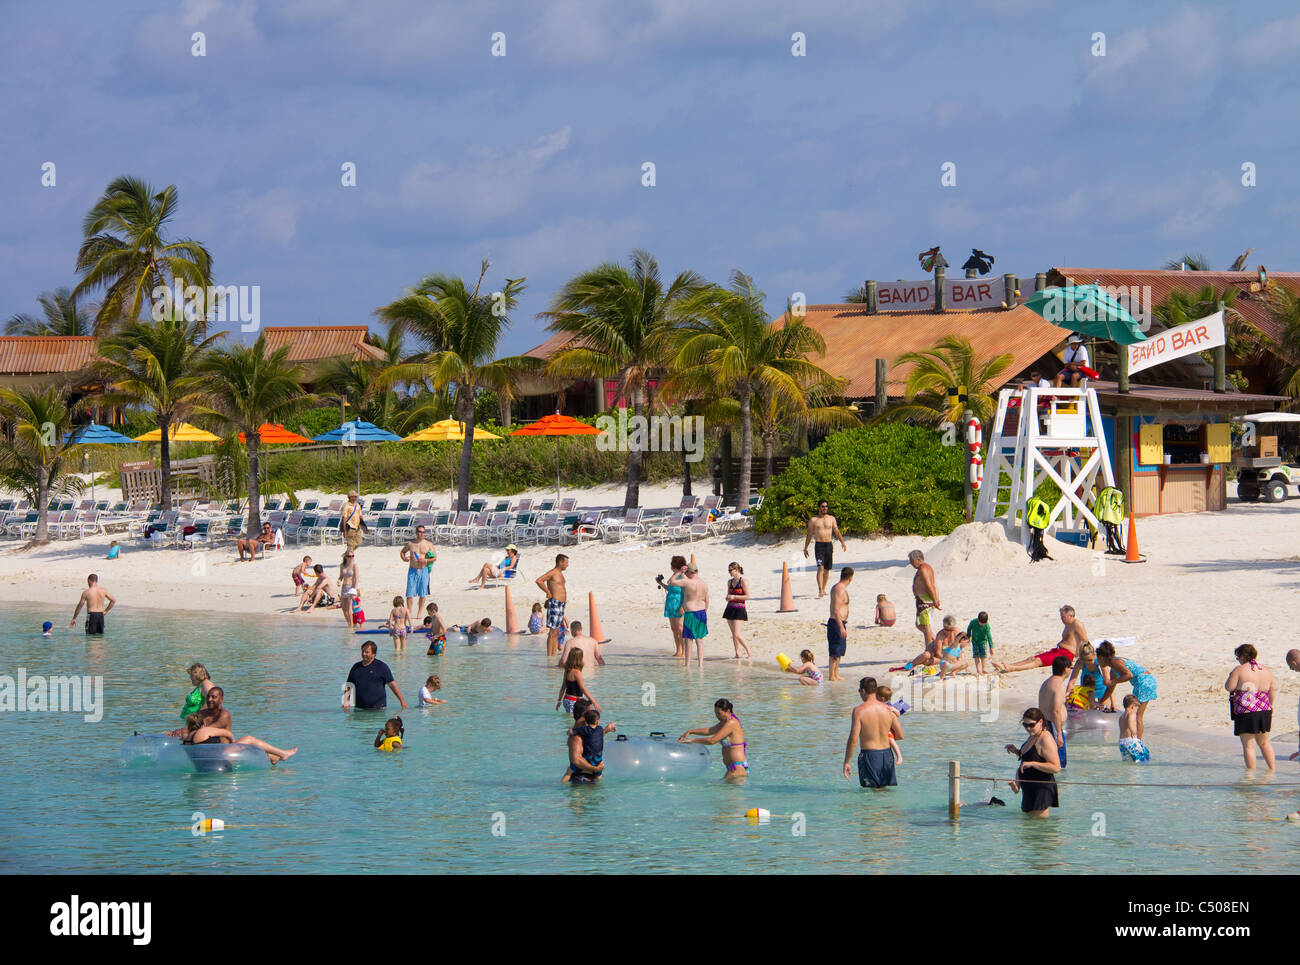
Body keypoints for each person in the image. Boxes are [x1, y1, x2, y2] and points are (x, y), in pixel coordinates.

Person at [993, 605, 1088, 673]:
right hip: (1058, 651)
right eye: (1061, 616)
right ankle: (1008, 665)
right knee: (1032, 658)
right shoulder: (1067, 625)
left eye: (1063, 617)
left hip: (1066, 655)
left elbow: (1086, 642)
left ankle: (1012, 668)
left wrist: (1084, 658)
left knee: (1037, 661)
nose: (1061, 619)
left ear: (1071, 616)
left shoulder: (1077, 624)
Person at [843, 677, 901, 790]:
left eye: (859, 690)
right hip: (887, 755)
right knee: (884, 791)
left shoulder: (859, 710)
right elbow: (900, 735)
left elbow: (853, 739)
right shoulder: (888, 709)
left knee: (872, 793)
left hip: (870, 756)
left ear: (863, 691)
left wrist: (846, 761)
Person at [1225, 644, 1275, 770]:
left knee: (1249, 745)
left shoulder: (1239, 670)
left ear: (1243, 656)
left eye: (1237, 657)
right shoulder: (1266, 670)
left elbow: (1229, 687)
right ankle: (1272, 770)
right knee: (1264, 743)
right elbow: (1272, 691)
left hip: (1246, 711)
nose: (1237, 660)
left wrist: (1231, 675)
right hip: (1265, 709)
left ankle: (1250, 778)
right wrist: (1269, 706)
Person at [1095, 640, 1156, 738]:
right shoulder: (1113, 667)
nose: (1098, 662)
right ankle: (1135, 740)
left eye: (1098, 659)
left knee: (1137, 716)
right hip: (1145, 682)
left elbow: (1128, 675)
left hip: (1144, 682)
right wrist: (1101, 702)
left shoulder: (1115, 662)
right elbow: (1111, 688)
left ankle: (1137, 743)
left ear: (1101, 657)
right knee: (1135, 715)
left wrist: (1112, 682)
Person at [1005, 707, 1060, 817]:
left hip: (1041, 791)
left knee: (1038, 830)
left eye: (1031, 725)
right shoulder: (1033, 736)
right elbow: (1031, 756)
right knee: (1028, 831)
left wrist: (1032, 764)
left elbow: (1056, 767)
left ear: (1040, 722)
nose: (1028, 728)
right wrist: (1016, 751)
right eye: (1025, 725)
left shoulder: (1045, 739)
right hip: (1029, 790)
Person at [183, 713, 298, 763]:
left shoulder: (186, 737)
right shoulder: (204, 731)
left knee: (244, 747)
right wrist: (233, 743)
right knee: (249, 739)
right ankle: (283, 754)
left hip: (202, 767)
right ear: (202, 724)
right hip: (220, 761)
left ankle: (272, 757)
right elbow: (227, 732)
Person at [679, 698, 747, 780]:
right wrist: (690, 731)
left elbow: (712, 740)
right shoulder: (725, 722)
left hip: (737, 769)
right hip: (733, 768)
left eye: (719, 713)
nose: (717, 716)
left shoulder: (732, 723)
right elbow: (710, 730)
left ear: (728, 711)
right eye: (715, 713)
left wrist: (692, 740)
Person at [344, 641, 407, 711]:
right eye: (362, 651)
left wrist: (402, 701)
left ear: (374, 654)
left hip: (378, 709)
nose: (364, 654)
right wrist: (346, 701)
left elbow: (392, 684)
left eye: (367, 652)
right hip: (359, 709)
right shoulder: (356, 667)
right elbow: (349, 685)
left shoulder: (382, 667)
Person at [803, 499, 847, 598]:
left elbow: (836, 531)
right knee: (820, 568)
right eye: (822, 506)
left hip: (828, 545)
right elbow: (809, 534)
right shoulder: (813, 520)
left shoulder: (831, 518)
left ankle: (824, 588)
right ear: (819, 508)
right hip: (819, 545)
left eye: (826, 506)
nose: (825, 508)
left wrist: (842, 542)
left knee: (827, 570)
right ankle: (820, 590)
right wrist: (805, 547)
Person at [671, 562, 710, 667]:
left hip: (691, 613)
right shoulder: (704, 583)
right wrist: (704, 611)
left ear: (689, 572)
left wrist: (679, 572)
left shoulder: (688, 582)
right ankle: (700, 665)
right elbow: (707, 601)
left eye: (686, 572)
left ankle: (687, 665)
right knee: (699, 640)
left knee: (689, 640)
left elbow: (671, 582)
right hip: (702, 613)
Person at [563, 707, 616, 784]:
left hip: (588, 757)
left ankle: (561, 783)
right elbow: (596, 738)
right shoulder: (600, 729)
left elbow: (572, 732)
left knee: (569, 770)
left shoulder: (584, 729)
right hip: (598, 758)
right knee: (599, 775)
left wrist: (568, 732)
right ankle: (599, 784)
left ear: (586, 722)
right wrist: (608, 729)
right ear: (597, 721)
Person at [535, 553, 570, 658]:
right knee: (553, 631)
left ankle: (553, 655)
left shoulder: (560, 573)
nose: (567, 565)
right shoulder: (553, 572)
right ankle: (549, 656)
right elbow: (539, 580)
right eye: (566, 563)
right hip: (554, 603)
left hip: (561, 604)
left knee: (557, 630)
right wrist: (548, 592)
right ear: (560, 562)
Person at [1039, 655, 1070, 768]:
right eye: (1070, 668)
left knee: (1048, 759)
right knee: (1059, 763)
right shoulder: (1058, 685)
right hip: (1053, 726)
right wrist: (1059, 734)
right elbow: (1055, 711)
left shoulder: (1047, 682)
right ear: (1065, 669)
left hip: (1045, 724)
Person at [908, 549, 940, 649]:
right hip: (922, 600)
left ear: (918, 559)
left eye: (911, 561)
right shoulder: (924, 568)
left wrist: (935, 600)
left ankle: (929, 650)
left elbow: (930, 585)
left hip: (925, 600)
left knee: (926, 627)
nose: (910, 563)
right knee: (919, 625)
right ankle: (937, 644)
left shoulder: (924, 569)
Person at [657, 555, 688, 658]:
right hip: (670, 604)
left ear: (674, 565)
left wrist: (682, 607)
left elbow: (685, 592)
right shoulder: (674, 575)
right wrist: (660, 583)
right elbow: (670, 588)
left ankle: (684, 651)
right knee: (674, 628)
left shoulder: (682, 576)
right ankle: (678, 650)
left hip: (679, 603)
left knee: (680, 628)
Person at [826, 566, 853, 682]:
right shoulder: (839, 589)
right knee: (835, 650)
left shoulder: (840, 588)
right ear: (851, 578)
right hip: (836, 623)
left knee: (840, 651)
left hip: (840, 622)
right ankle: (832, 675)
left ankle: (836, 674)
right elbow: (836, 610)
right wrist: (841, 627)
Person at [1066, 642, 1111, 710]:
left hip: (1100, 686)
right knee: (1090, 711)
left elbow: (1109, 682)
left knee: (1104, 709)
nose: (1088, 662)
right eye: (1085, 660)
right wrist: (1068, 695)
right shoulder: (1080, 662)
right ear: (1081, 658)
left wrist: (1113, 703)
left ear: (1094, 655)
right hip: (1086, 688)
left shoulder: (1099, 661)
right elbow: (1072, 681)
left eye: (1090, 660)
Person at [721, 562, 751, 659]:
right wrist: (728, 597)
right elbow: (728, 594)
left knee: (737, 633)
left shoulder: (743, 581)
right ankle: (737, 653)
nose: (729, 572)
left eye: (730, 570)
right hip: (730, 608)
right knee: (733, 633)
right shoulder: (729, 582)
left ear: (736, 570)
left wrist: (734, 596)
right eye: (728, 570)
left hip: (739, 608)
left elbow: (747, 596)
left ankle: (749, 651)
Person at [556, 649, 599, 714]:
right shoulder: (577, 672)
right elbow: (583, 688)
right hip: (573, 701)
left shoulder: (567, 670)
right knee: (575, 721)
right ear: (579, 659)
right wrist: (593, 701)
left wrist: (559, 701)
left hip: (567, 700)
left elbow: (563, 687)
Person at [1117, 695, 1150, 763]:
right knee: (1144, 756)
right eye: (1136, 708)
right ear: (1133, 706)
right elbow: (1130, 722)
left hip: (1122, 742)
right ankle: (1139, 772)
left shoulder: (1121, 716)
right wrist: (1133, 731)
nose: (1136, 710)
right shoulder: (1131, 713)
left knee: (1128, 761)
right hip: (1130, 741)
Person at [875, 685, 903, 765]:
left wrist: (894, 709)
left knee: (891, 740)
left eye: (875, 696)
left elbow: (898, 714)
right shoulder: (877, 706)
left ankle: (899, 756)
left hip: (889, 729)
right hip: (884, 728)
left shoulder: (888, 707)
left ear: (882, 698)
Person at [339, 551, 361, 626]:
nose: (351, 557)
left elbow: (356, 578)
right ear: (345, 557)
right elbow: (341, 576)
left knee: (349, 608)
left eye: (352, 556)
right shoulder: (342, 565)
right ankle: (349, 623)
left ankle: (351, 625)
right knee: (343, 608)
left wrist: (354, 589)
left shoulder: (355, 566)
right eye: (349, 556)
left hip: (351, 587)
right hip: (344, 587)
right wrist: (339, 580)